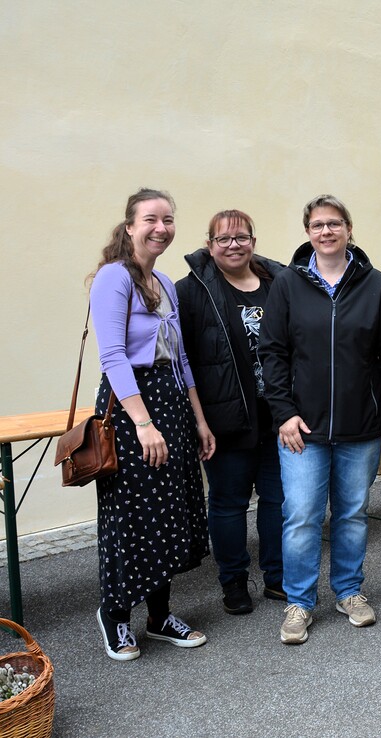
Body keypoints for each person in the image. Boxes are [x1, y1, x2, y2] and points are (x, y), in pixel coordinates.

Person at [260, 194, 381, 644]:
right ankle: (299, 602)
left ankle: (348, 592)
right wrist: (284, 413)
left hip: (360, 426)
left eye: (334, 223)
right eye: (318, 225)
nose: (326, 231)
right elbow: (272, 353)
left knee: (352, 514)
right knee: (301, 516)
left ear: (348, 229)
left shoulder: (375, 285)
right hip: (301, 429)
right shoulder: (287, 284)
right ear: (308, 232)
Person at [90, 188, 215, 661]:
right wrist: (142, 422)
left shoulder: (163, 280)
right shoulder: (113, 277)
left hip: (171, 403)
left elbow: (181, 359)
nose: (161, 228)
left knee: (167, 513)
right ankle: (115, 614)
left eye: (168, 219)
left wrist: (199, 420)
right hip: (132, 408)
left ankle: (159, 616)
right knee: (130, 515)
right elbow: (112, 357)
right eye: (150, 219)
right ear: (130, 227)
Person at [177, 209, 285, 615]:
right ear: (209, 246)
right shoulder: (192, 292)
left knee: (278, 499)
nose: (233, 245)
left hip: (278, 417)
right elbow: (183, 362)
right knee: (228, 503)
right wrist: (198, 420)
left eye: (241, 237)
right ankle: (234, 582)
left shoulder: (279, 282)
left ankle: (277, 577)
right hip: (226, 419)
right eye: (223, 239)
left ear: (253, 242)